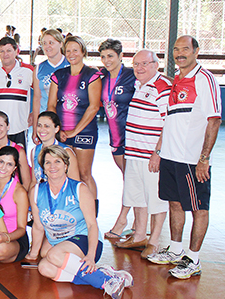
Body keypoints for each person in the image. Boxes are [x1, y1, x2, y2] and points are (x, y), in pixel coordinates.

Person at [149, 36, 222, 279]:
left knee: (199, 208)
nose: (180, 54)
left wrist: (204, 158)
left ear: (196, 51)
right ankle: (176, 250)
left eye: (185, 49)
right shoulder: (178, 80)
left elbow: (214, 119)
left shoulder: (205, 79)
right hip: (171, 156)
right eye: (176, 50)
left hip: (191, 159)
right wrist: (160, 151)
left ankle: (193, 258)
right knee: (175, 202)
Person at [27, 145, 133, 299]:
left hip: (83, 239)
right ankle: (101, 273)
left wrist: (90, 255)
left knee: (54, 255)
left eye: (57, 161)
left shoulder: (79, 189)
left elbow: (92, 225)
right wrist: (33, 253)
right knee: (44, 267)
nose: (52, 166)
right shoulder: (36, 191)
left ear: (66, 165)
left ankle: (107, 282)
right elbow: (37, 226)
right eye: (48, 162)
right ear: (43, 167)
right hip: (59, 243)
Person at [108, 50, 171, 257]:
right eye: (136, 64)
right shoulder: (138, 85)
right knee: (137, 197)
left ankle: (154, 241)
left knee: (156, 200)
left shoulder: (162, 87)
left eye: (145, 63)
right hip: (133, 154)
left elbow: (169, 124)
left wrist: (158, 153)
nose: (140, 68)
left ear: (156, 64)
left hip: (151, 156)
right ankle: (139, 237)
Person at [47, 35, 102, 207]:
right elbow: (51, 105)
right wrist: (58, 129)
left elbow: (93, 107)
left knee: (84, 174)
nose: (71, 54)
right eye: (68, 50)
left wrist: (74, 131)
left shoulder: (92, 75)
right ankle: (70, 210)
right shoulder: (59, 75)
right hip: (63, 132)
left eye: (75, 50)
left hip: (84, 132)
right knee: (66, 174)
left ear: (83, 52)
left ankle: (91, 214)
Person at [98, 39, 136, 171]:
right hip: (115, 136)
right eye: (103, 57)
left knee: (134, 179)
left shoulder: (132, 75)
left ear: (120, 56)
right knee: (126, 177)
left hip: (132, 136)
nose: (106, 60)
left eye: (110, 56)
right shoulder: (102, 79)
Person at [0, 36, 33, 148]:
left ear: (16, 51)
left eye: (9, 51)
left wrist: (34, 113)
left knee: (19, 159)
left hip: (19, 126)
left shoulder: (28, 70)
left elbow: (40, 93)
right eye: (2, 51)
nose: (5, 54)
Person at [31, 28, 69, 143]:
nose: (47, 46)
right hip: (46, 123)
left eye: (51, 42)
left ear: (61, 44)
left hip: (66, 121)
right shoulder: (39, 68)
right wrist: (35, 129)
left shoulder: (70, 65)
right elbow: (37, 99)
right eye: (44, 43)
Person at [27, 111, 80, 189]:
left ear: (56, 129)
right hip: (41, 197)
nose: (42, 129)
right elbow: (34, 181)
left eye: (47, 126)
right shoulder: (34, 151)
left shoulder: (66, 152)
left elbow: (75, 183)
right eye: (39, 125)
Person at [0, 111, 32, 189]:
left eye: (1, 125)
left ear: (8, 126)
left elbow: (27, 184)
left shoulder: (18, 151)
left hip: (12, 195)